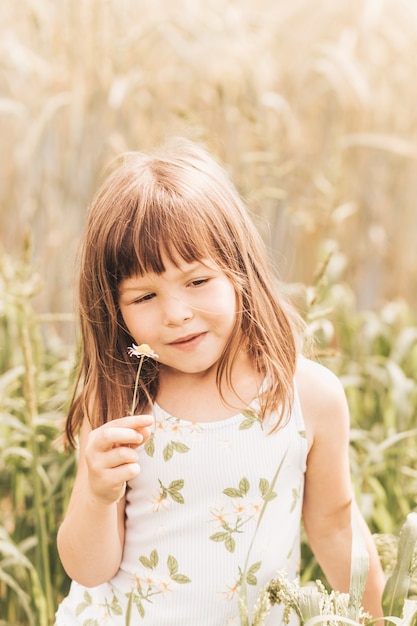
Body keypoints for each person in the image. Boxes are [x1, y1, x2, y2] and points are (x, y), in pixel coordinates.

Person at [55, 138, 385, 625]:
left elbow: (336, 527)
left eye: (197, 281)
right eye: (144, 296)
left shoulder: (307, 398)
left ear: (239, 271)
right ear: (114, 309)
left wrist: (381, 615)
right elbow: (89, 568)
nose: (176, 314)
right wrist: (96, 495)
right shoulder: (121, 403)